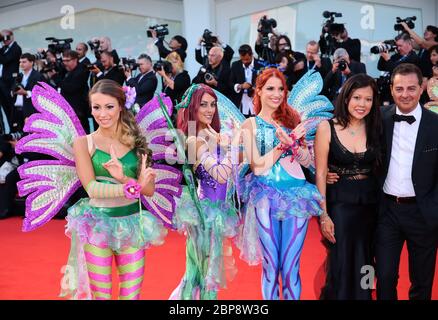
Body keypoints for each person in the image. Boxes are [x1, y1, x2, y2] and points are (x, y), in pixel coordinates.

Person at [62, 79, 167, 299]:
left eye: (109, 106)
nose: (102, 114)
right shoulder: (83, 143)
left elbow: (148, 190)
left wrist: (126, 179)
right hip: (97, 226)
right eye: (96, 107)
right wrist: (130, 186)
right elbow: (91, 188)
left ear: (121, 105)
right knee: (102, 295)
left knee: (131, 295)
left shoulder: (137, 142)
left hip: (132, 225)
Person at [238, 68, 323, 300]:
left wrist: (296, 146)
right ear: (259, 91)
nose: (276, 94)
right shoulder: (250, 126)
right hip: (264, 198)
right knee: (271, 265)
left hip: (297, 196)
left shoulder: (293, 120)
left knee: (290, 267)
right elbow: (257, 166)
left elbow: (308, 162)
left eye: (280, 89)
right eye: (270, 89)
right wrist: (284, 145)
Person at [314, 74, 382, 299]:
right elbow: (321, 173)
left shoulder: (377, 126)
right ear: (345, 99)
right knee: (340, 261)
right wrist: (323, 215)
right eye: (357, 98)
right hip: (340, 205)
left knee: (368, 260)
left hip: (372, 205)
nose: (362, 104)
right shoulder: (327, 127)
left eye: (368, 99)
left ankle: (365, 296)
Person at [170, 84, 240, 300]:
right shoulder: (193, 139)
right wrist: (233, 145)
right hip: (203, 214)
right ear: (193, 108)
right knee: (201, 272)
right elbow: (220, 174)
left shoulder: (213, 134)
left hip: (218, 211)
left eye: (213, 105)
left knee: (208, 272)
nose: (209, 110)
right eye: (203, 105)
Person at [375, 63, 438, 300]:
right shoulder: (380, 119)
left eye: (411, 88)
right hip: (387, 212)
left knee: (422, 282)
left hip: (423, 214)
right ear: (391, 89)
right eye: (399, 88)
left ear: (422, 88)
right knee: (385, 276)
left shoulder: (435, 124)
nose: (405, 94)